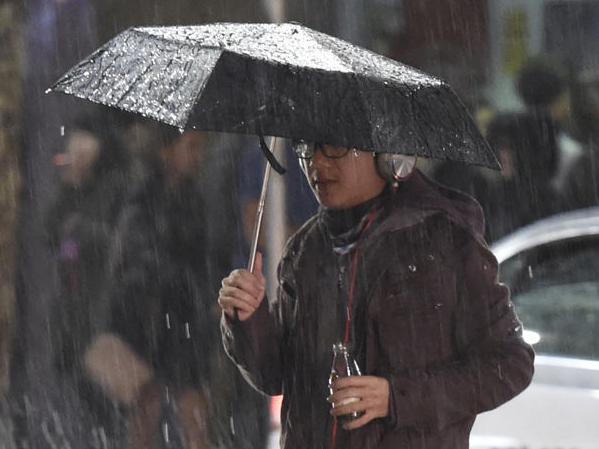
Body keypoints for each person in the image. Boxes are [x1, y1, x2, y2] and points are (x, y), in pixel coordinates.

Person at [218, 142, 535, 449]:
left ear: (387, 155)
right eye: (307, 147)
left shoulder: (442, 240)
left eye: (334, 147)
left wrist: (396, 398)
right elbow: (276, 376)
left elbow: (509, 365)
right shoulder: (306, 250)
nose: (317, 162)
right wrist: (249, 318)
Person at [83, 126, 268, 449]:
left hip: (181, 318)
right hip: (149, 318)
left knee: (189, 406)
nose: (198, 156)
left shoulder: (193, 199)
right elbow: (137, 263)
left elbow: (201, 256)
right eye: (191, 147)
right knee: (149, 406)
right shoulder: (142, 199)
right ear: (166, 151)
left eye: (200, 148)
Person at [44, 112, 129, 448]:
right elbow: (49, 231)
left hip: (104, 316)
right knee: (79, 409)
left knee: (109, 411)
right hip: (72, 317)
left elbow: (118, 242)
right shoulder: (73, 187)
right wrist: (69, 185)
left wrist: (81, 230)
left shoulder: (118, 184)